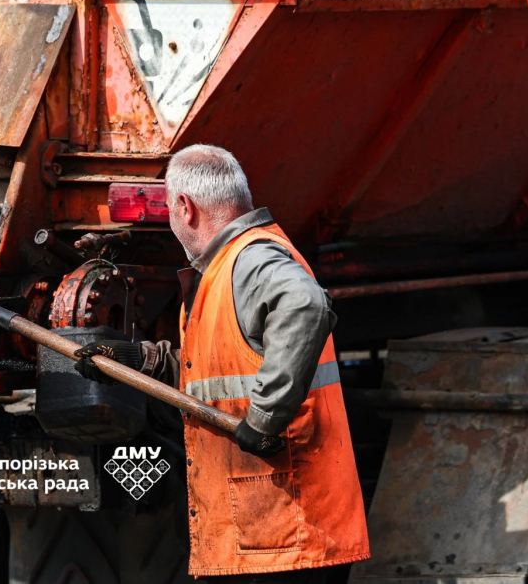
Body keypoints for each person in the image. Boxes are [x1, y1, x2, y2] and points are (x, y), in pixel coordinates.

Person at [74, 145, 370, 582]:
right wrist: (141, 360)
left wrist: (265, 417)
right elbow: (221, 371)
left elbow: (306, 305)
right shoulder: (228, 265)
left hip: (285, 532)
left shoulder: (248, 259)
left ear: (185, 207)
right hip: (263, 532)